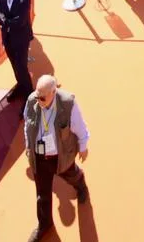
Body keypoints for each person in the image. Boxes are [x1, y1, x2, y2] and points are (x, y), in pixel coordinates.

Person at [23, 75, 88, 242]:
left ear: (54, 92)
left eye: (43, 97)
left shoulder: (67, 104)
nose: (39, 99)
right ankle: (45, 224)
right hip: (39, 156)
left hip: (60, 156)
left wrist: (83, 146)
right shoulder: (32, 101)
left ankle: (81, 185)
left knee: (71, 175)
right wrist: (28, 146)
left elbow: (79, 126)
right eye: (37, 95)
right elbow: (27, 125)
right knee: (42, 194)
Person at [0, 0, 36, 103]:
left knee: (21, 66)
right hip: (8, 38)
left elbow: (20, 21)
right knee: (14, 65)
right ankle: (20, 85)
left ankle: (29, 93)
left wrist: (4, 20)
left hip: (22, 38)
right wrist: (8, 21)